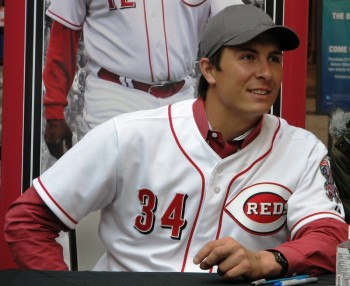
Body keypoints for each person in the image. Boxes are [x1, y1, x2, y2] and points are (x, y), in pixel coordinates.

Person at [5, 4, 348, 281]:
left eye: (274, 58)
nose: (266, 72)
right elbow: (28, 221)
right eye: (248, 57)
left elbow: (331, 237)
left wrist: (268, 260)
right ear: (209, 70)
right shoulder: (128, 134)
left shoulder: (301, 149)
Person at [43, 0, 243, 159]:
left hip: (180, 99)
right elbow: (63, 39)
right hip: (114, 96)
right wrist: (54, 113)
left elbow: (237, 28)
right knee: (113, 193)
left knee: (177, 192)